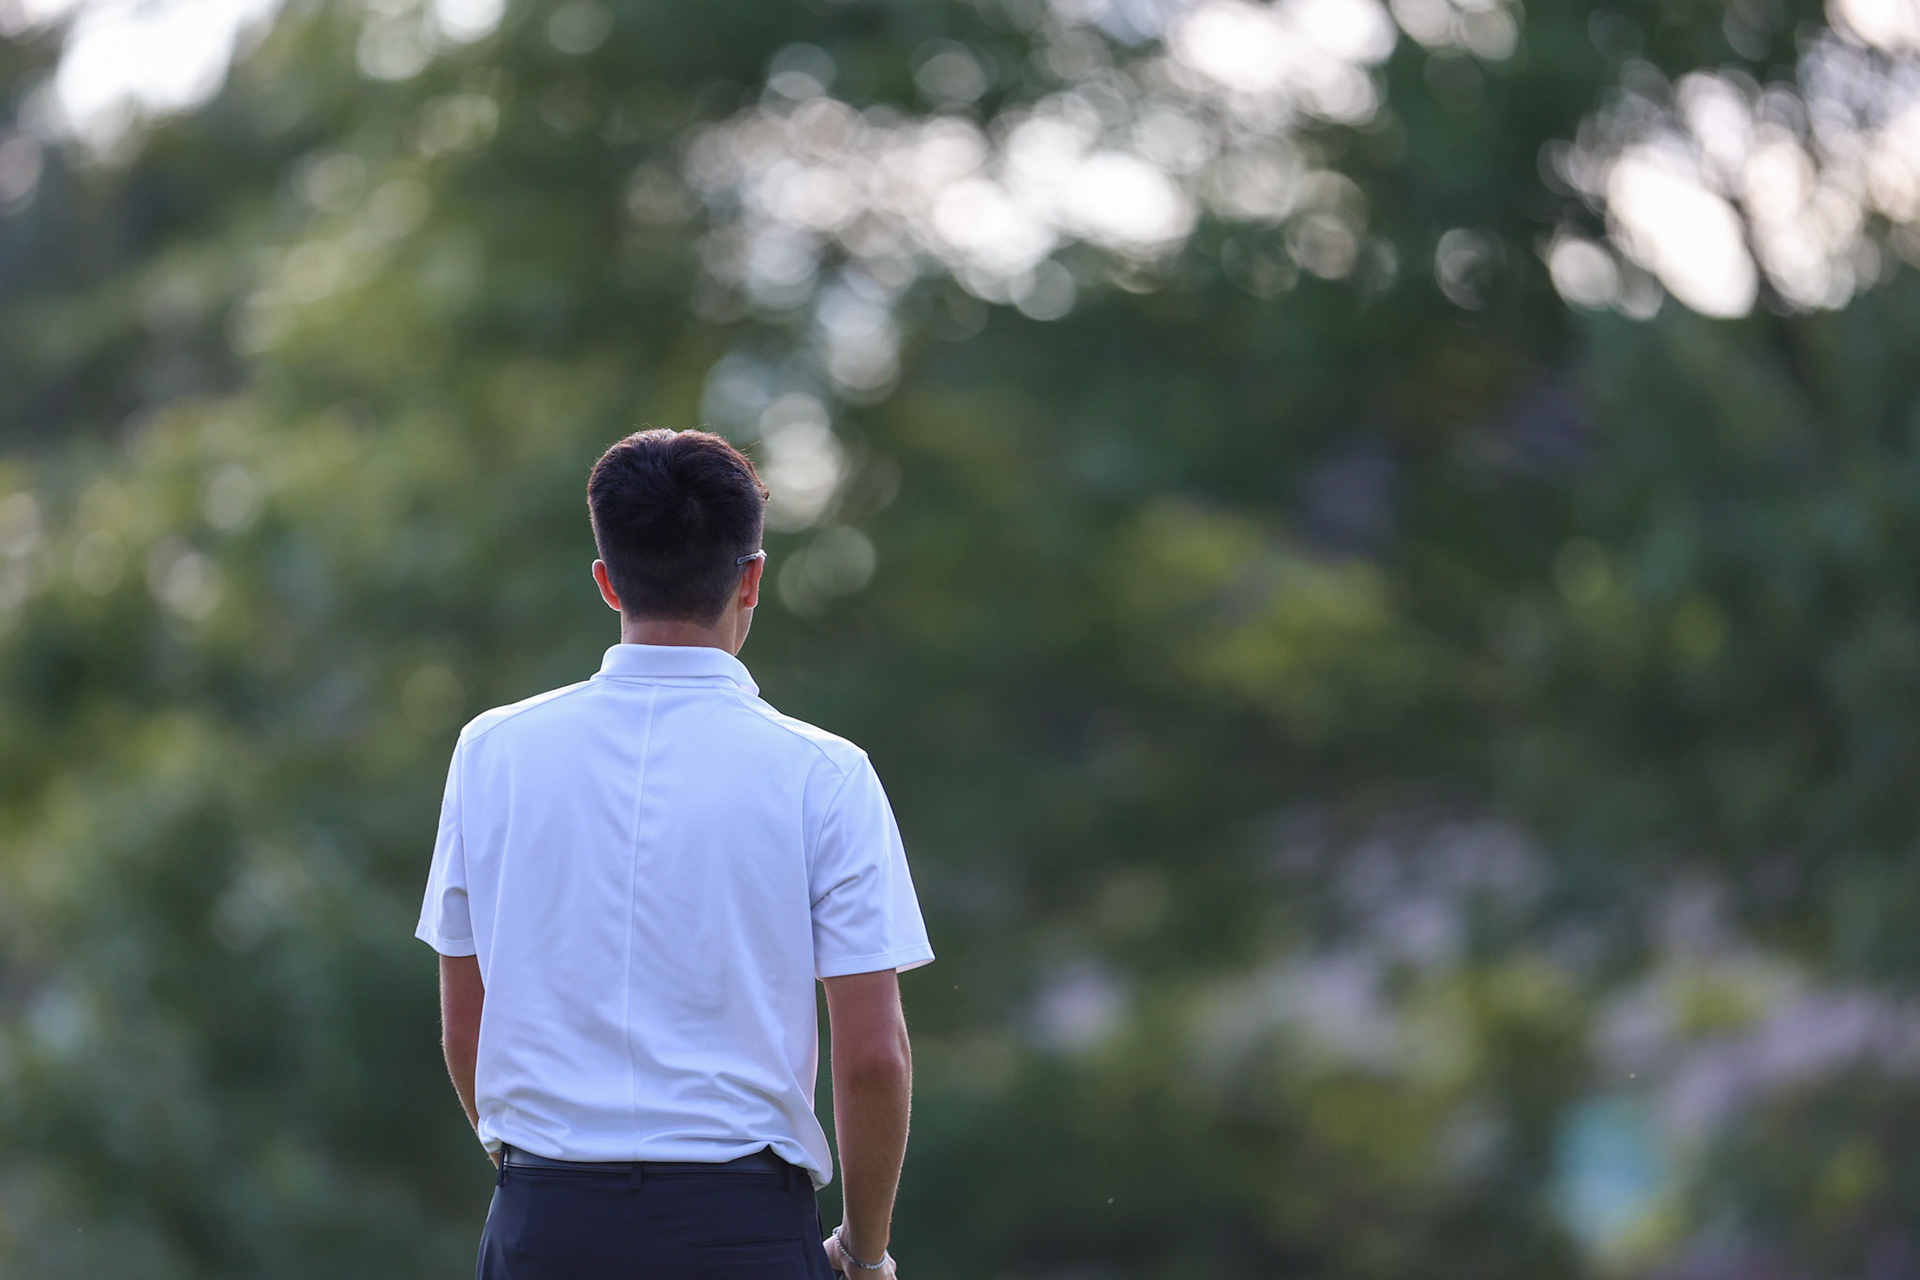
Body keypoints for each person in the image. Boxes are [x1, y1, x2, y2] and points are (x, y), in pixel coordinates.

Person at [415, 428, 932, 1279]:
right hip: (744, 1230)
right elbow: (874, 1056)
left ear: (607, 579)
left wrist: (556, 1181)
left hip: (545, 1220)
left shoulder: (490, 752)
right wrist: (866, 1252)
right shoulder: (826, 774)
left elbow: (465, 1025)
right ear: (753, 577)